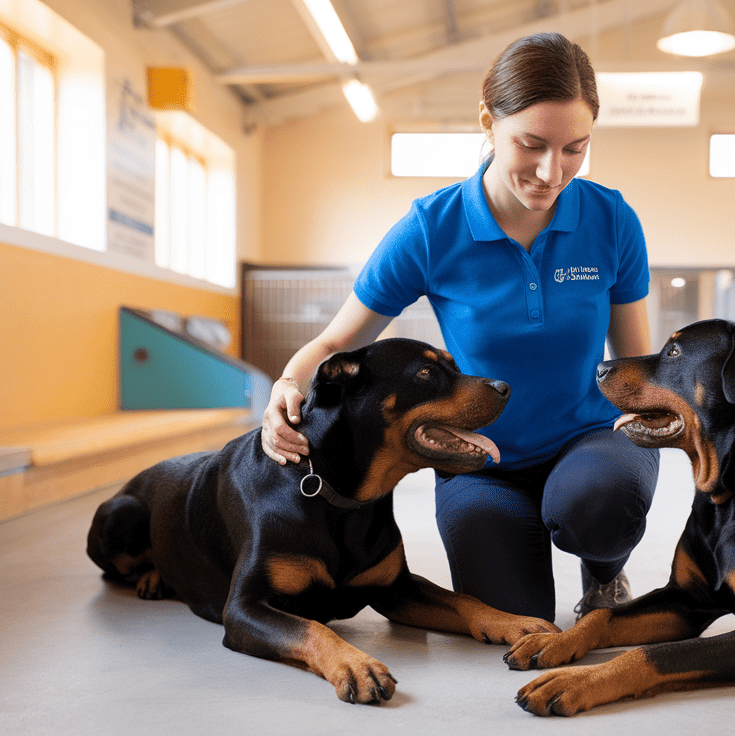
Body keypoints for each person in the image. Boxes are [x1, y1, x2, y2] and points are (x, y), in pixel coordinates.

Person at [260, 32, 659, 623]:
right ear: (487, 123)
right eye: (532, 144)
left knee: (595, 503)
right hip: (480, 453)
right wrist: (286, 388)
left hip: (589, 439)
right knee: (510, 615)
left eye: (576, 148)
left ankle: (603, 571)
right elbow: (336, 342)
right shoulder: (431, 229)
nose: (553, 172)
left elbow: (636, 367)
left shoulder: (612, 220)